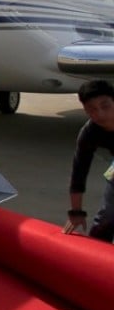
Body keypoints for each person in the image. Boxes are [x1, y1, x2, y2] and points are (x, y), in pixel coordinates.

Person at [63, 79, 114, 241]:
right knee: (107, 217)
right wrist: (76, 212)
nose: (100, 114)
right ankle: (97, 250)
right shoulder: (89, 133)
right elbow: (79, 172)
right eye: (92, 109)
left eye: (105, 106)